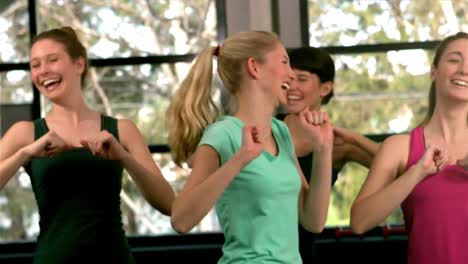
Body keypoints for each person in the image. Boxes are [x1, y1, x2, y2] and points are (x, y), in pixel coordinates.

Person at [0, 27, 175, 264]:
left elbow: (169, 204)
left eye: (52, 60)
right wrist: (25, 153)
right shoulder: (26, 133)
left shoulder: (122, 129)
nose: (43, 71)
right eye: (35, 64)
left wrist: (123, 156)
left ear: (79, 65)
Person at [167, 31, 333, 263]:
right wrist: (241, 158)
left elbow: (313, 221)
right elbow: (181, 220)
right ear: (254, 67)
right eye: (284, 62)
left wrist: (324, 148)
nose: (291, 74)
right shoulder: (222, 134)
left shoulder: (281, 132)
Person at [350, 32, 468, 264]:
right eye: (454, 59)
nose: (464, 69)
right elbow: (359, 221)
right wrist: (416, 173)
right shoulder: (398, 147)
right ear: (433, 72)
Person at [277, 46, 381, 263]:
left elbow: (399, 165)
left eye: (302, 78)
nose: (291, 86)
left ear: (325, 88)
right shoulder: (264, 131)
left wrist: (355, 139)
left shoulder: (339, 144)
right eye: (289, 78)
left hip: (301, 255)